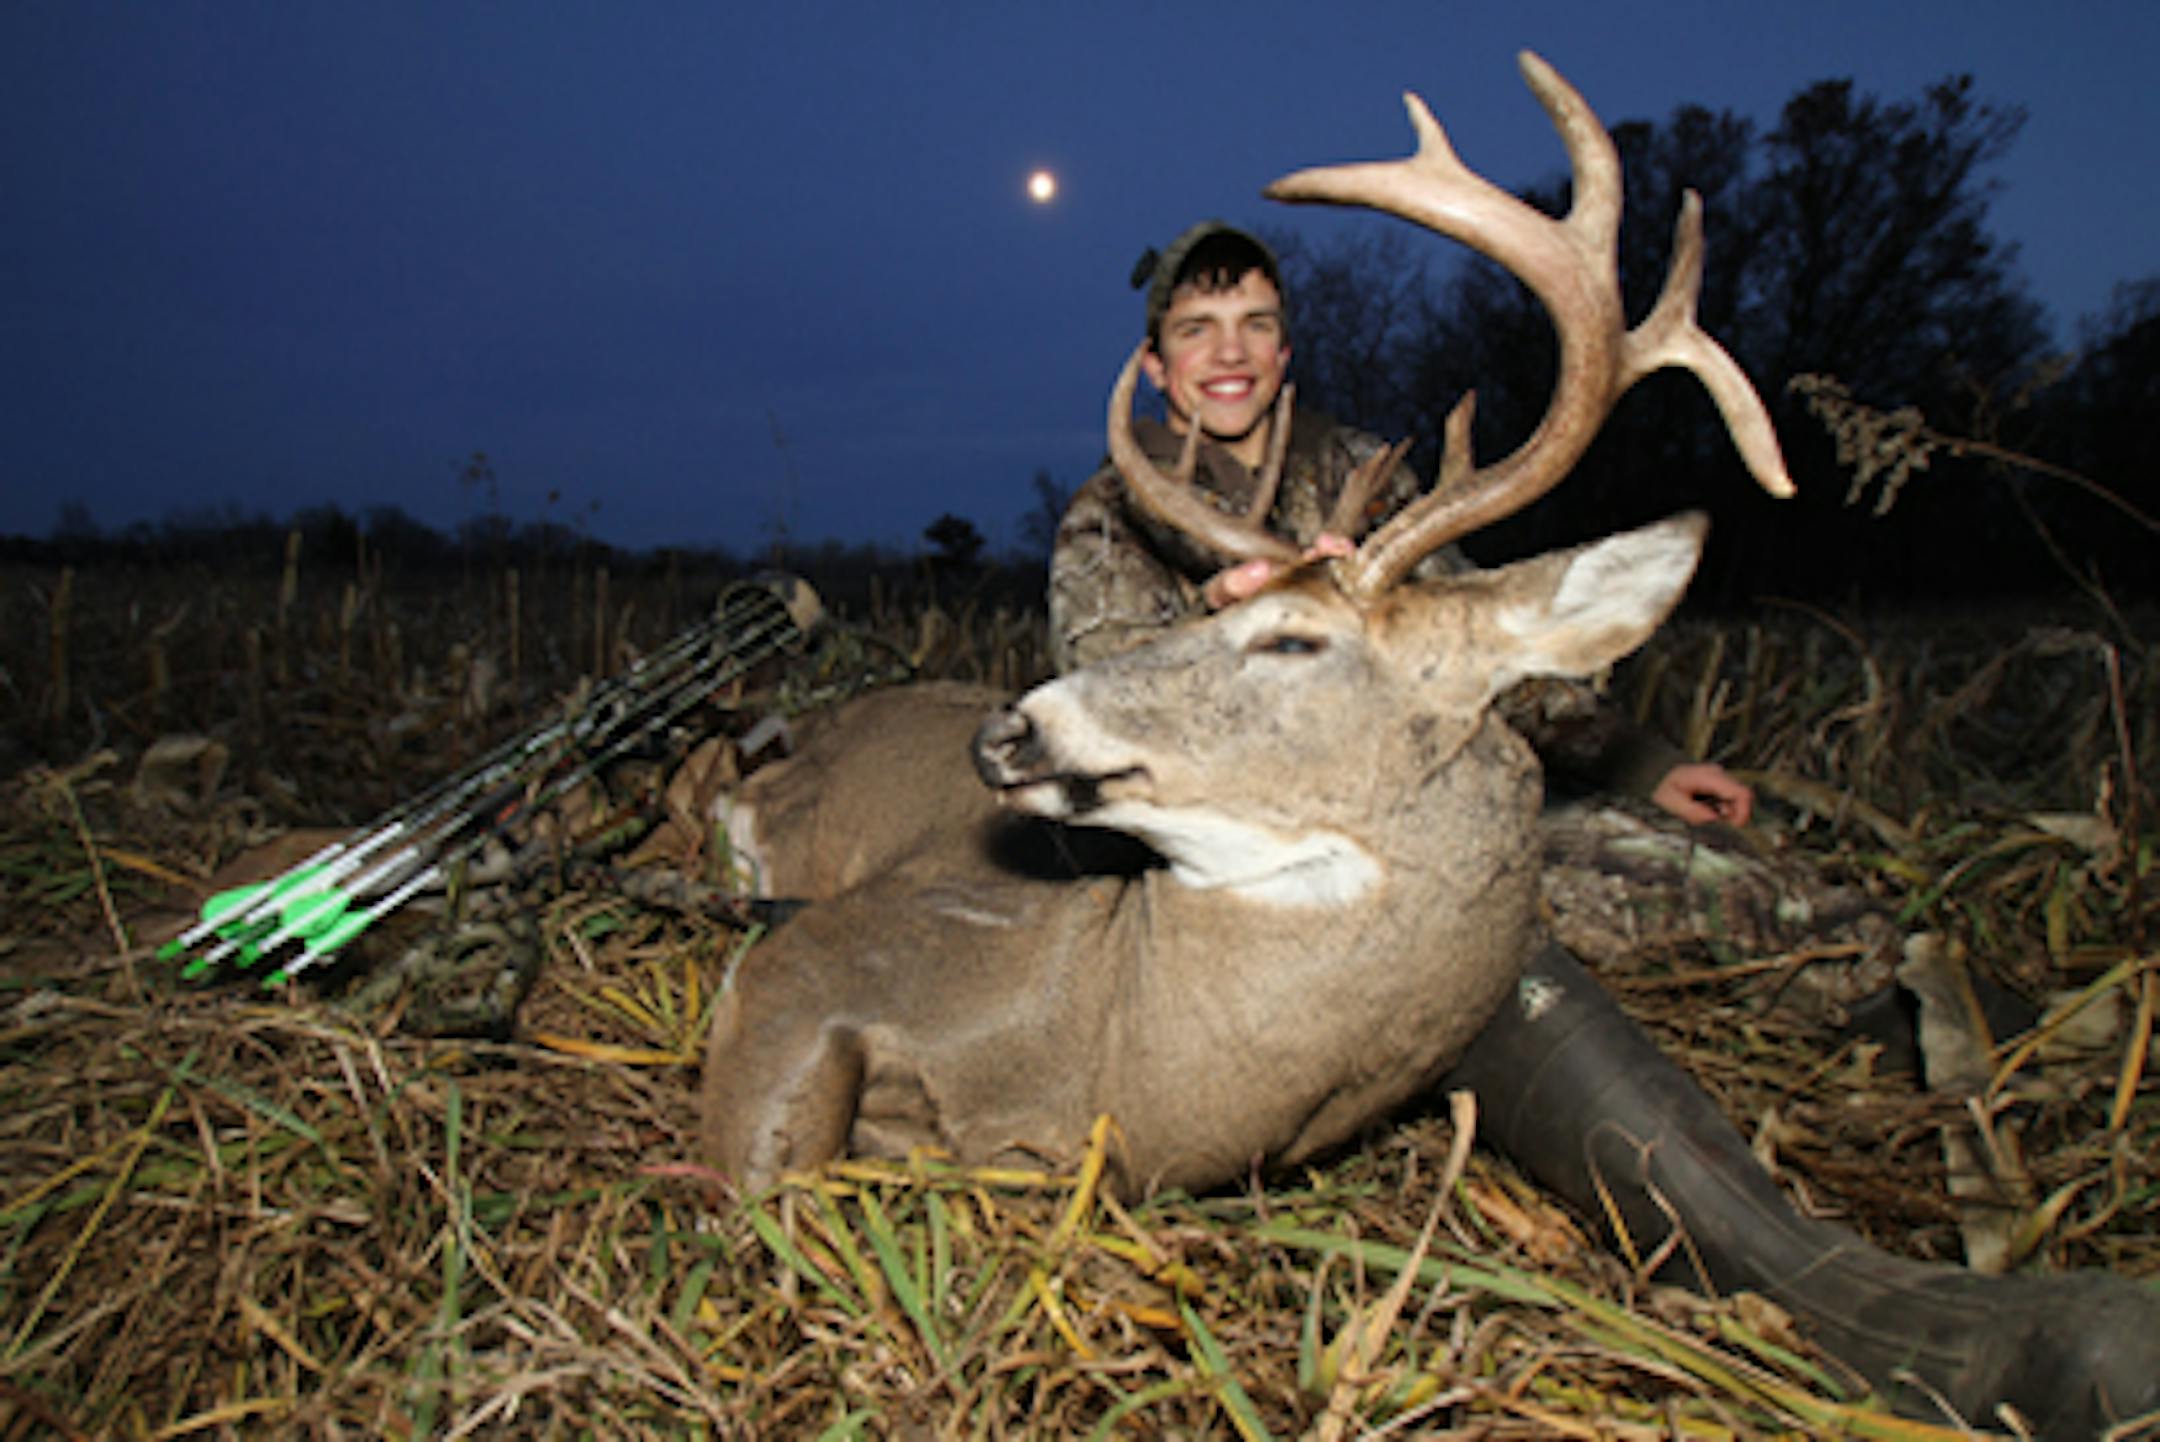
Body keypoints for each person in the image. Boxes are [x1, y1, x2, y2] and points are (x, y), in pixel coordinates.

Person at [1047, 221, 1752, 827]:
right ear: (1155, 366)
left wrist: (1644, 766)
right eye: (1195, 330)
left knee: (1699, 862)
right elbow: (1097, 700)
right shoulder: (1108, 516)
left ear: (1282, 354)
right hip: (1231, 832)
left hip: (1409, 798)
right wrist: (1219, 621)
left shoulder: (1364, 473)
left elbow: (1472, 641)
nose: (1230, 353)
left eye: (1255, 325)